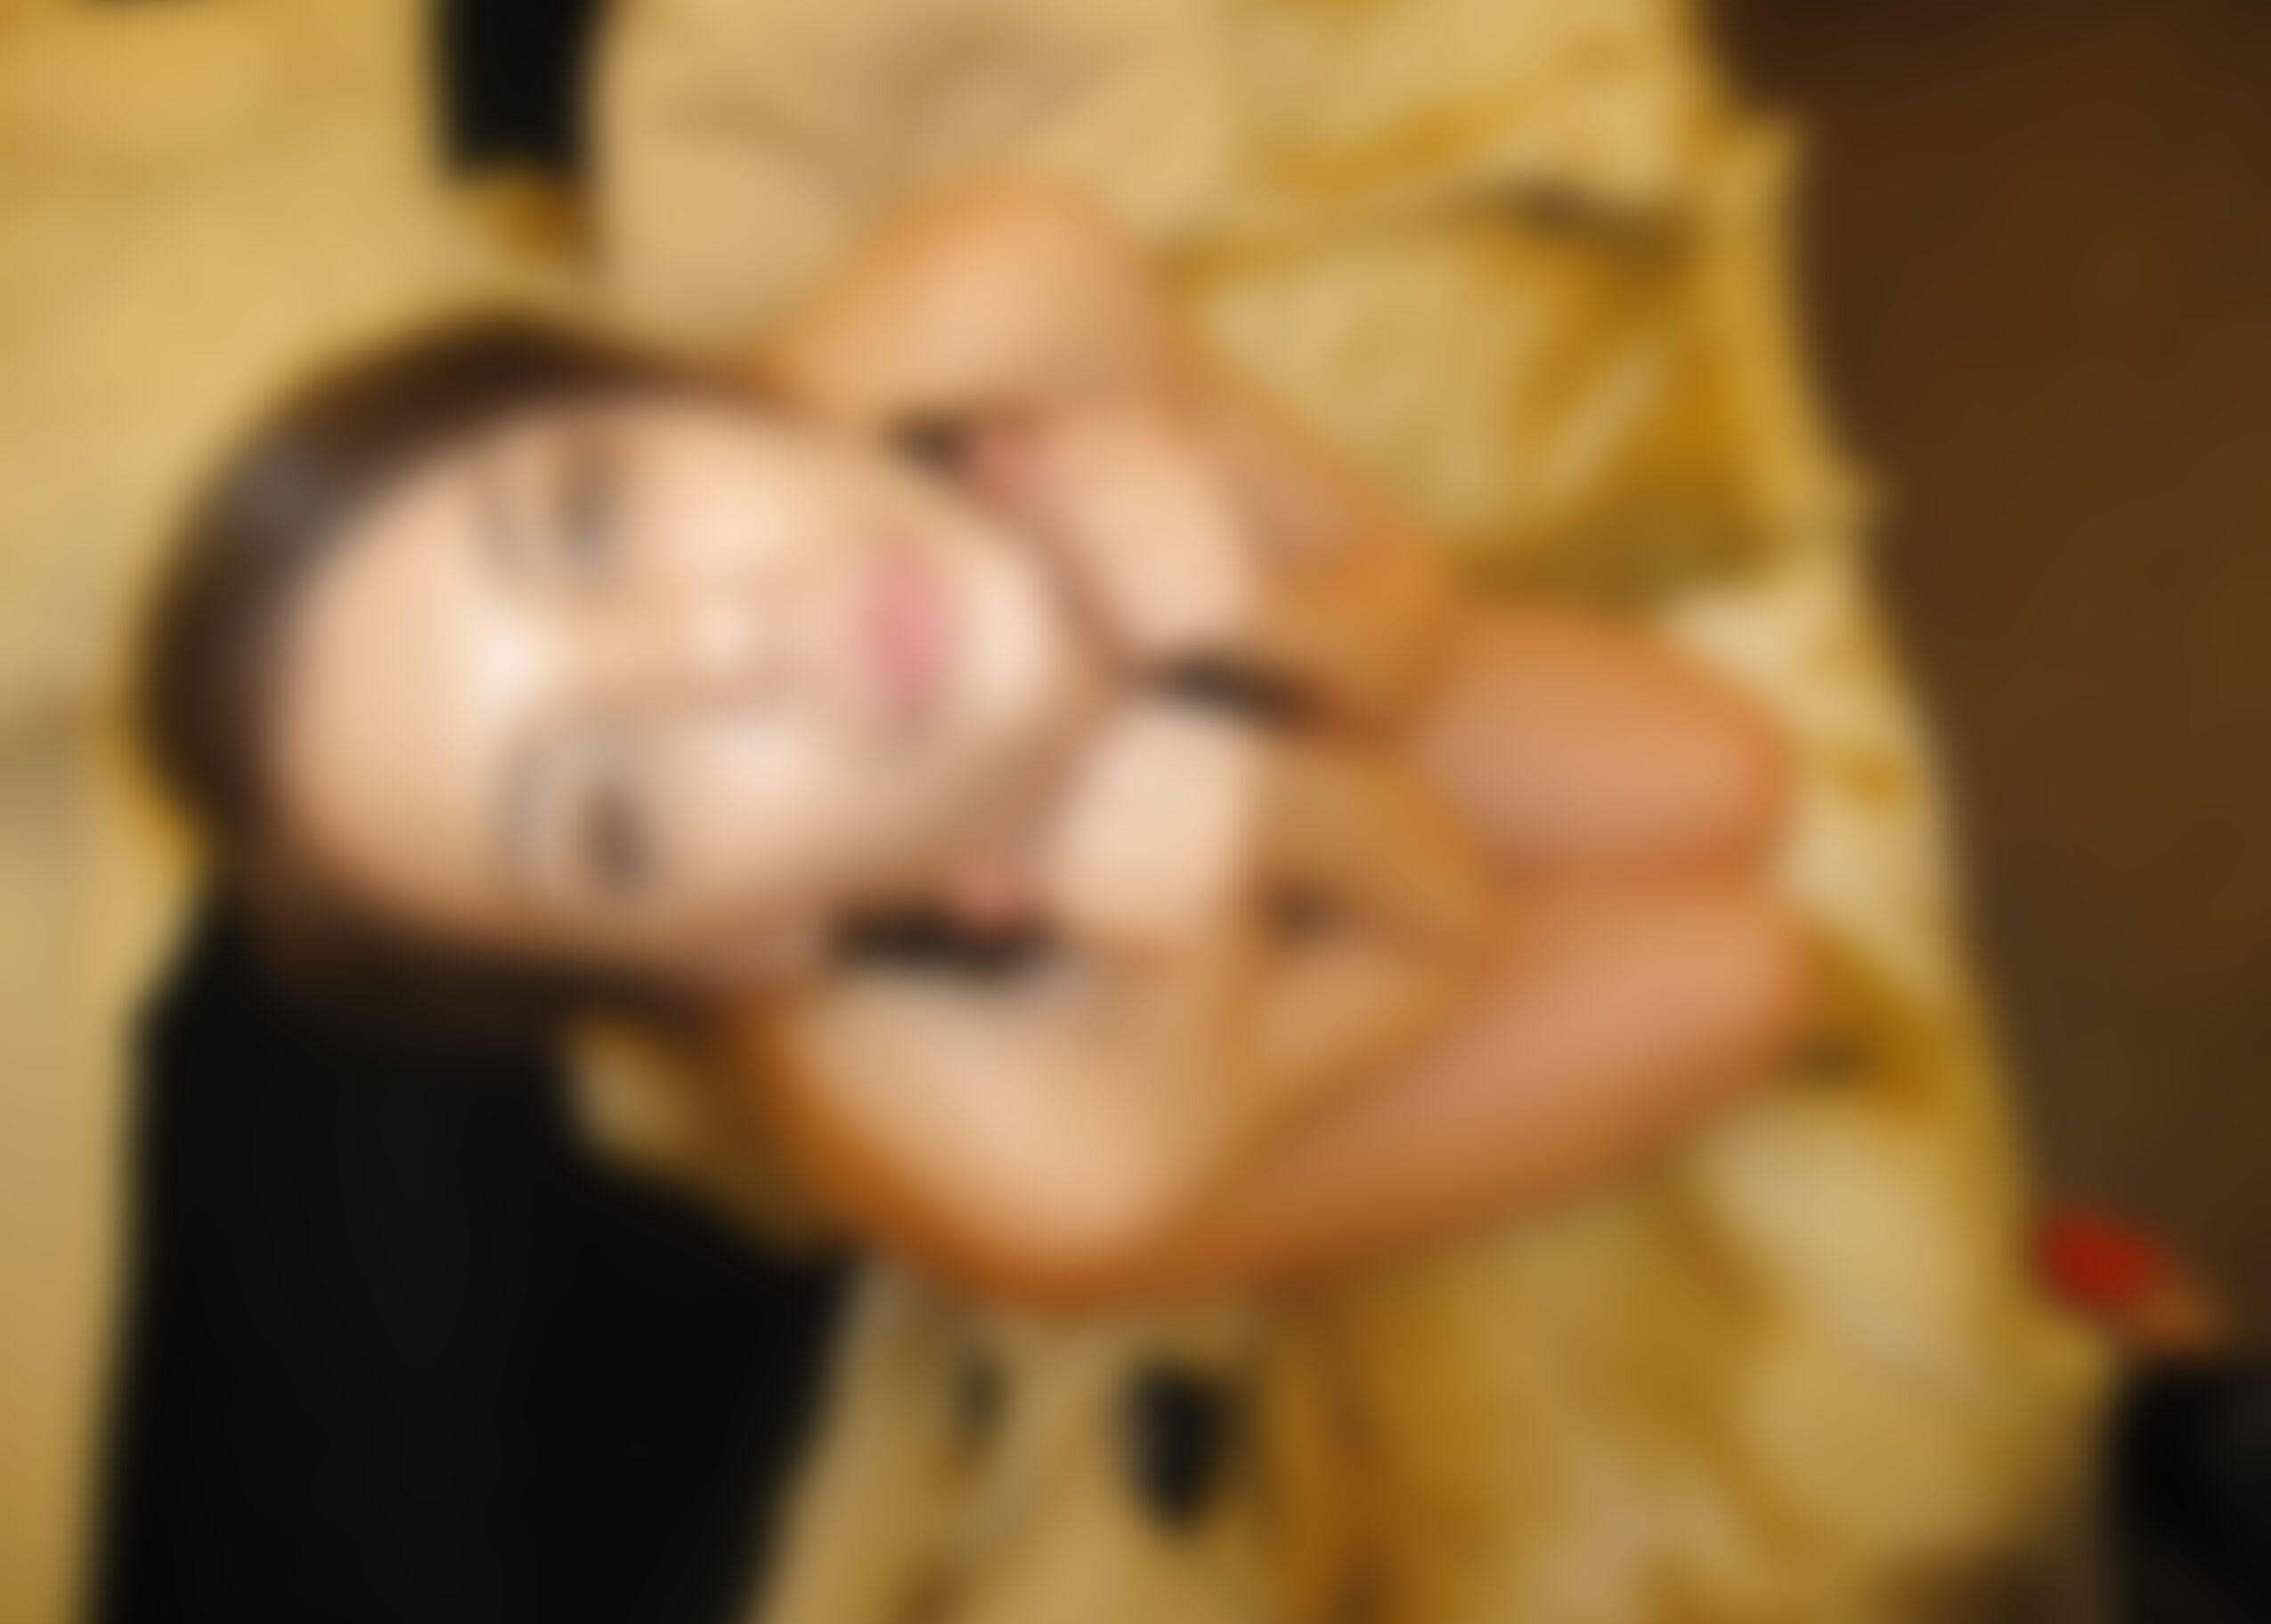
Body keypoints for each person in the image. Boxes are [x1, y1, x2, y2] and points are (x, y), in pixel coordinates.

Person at [137, 181, 1807, 1309]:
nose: (720, 645)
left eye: (587, 517)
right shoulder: (1054, 1149)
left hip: (1261, 706)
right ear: (733, 951)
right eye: (610, 817)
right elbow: (1442, 933)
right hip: (1152, 1054)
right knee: (1741, 977)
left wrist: (1249, 631)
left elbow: (1397, 590)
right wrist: (1260, 798)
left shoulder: (1002, 303)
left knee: (1732, 770)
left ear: (658, 397)